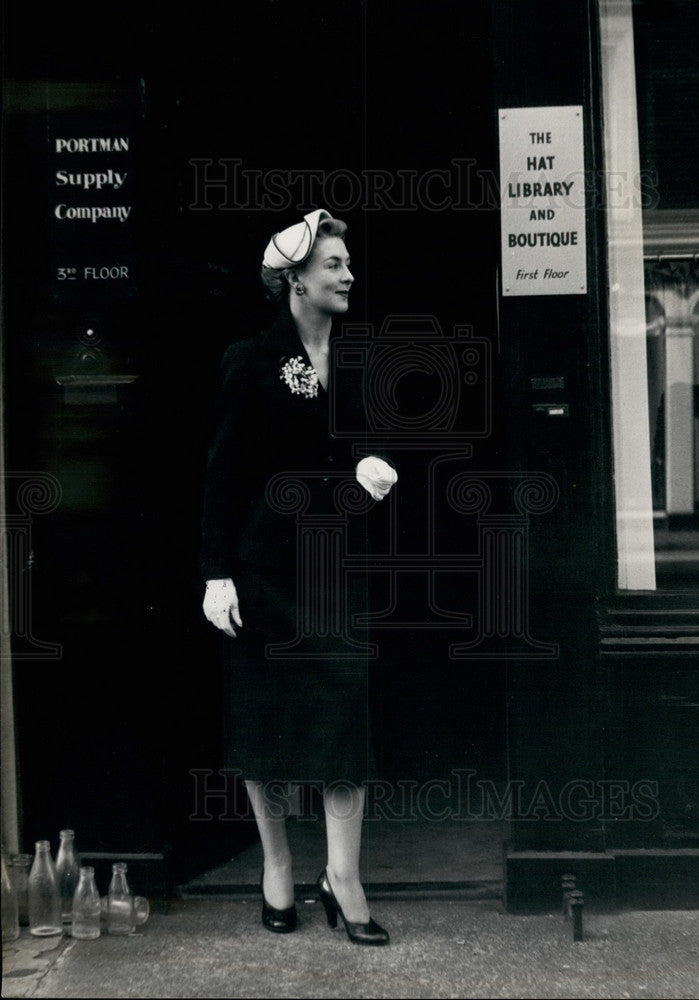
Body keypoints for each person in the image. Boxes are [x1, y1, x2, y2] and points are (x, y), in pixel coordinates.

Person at [200, 209, 397, 945]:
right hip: (264, 569)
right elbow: (222, 473)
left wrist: (368, 468)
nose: (348, 276)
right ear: (294, 280)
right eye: (334, 265)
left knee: (344, 721)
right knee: (264, 723)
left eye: (347, 264)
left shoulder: (360, 357)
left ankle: (342, 877)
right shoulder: (250, 359)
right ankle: (276, 866)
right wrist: (215, 573)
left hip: (335, 566)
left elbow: (363, 446)